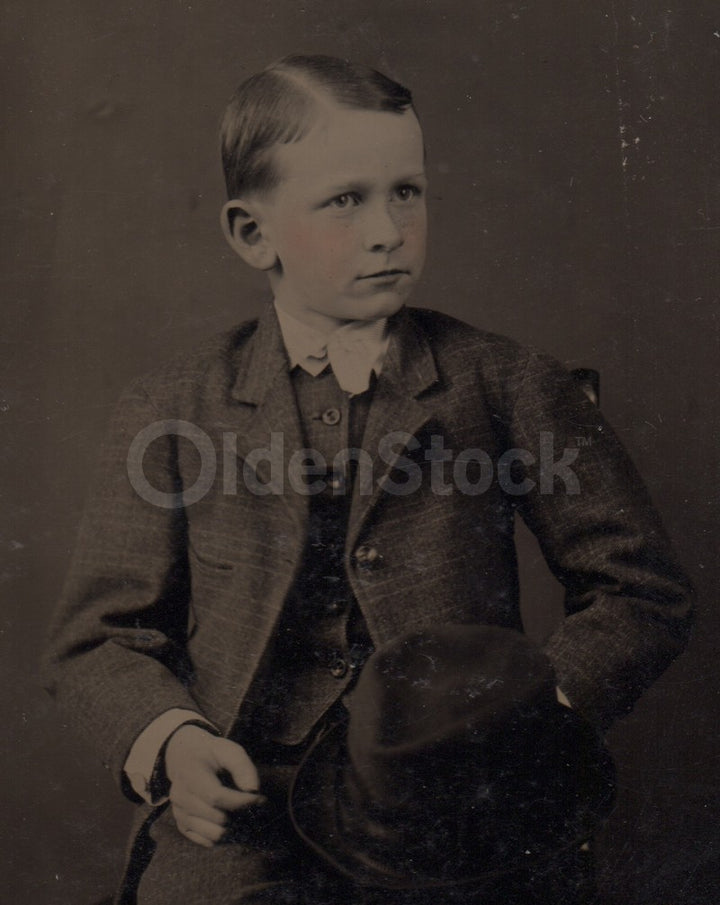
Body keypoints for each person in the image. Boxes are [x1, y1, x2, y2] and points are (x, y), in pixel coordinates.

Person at [44, 55, 694, 905]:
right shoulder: (173, 408)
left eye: (407, 192)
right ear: (252, 233)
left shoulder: (504, 382)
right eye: (345, 200)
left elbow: (639, 588)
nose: (388, 229)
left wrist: (527, 714)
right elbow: (99, 638)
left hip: (458, 809)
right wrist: (171, 744)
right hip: (249, 803)